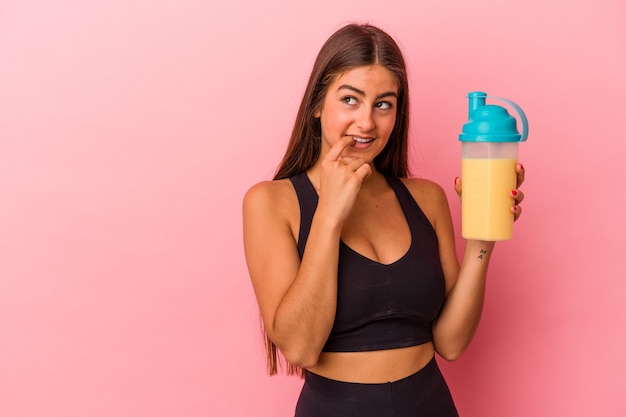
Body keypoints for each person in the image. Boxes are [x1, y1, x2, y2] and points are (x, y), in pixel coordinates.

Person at [242, 23, 525, 417]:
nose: (366, 123)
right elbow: (301, 348)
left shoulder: (426, 198)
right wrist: (329, 215)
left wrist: (482, 240)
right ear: (318, 104)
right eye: (350, 100)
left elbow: (451, 344)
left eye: (383, 104)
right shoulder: (271, 202)